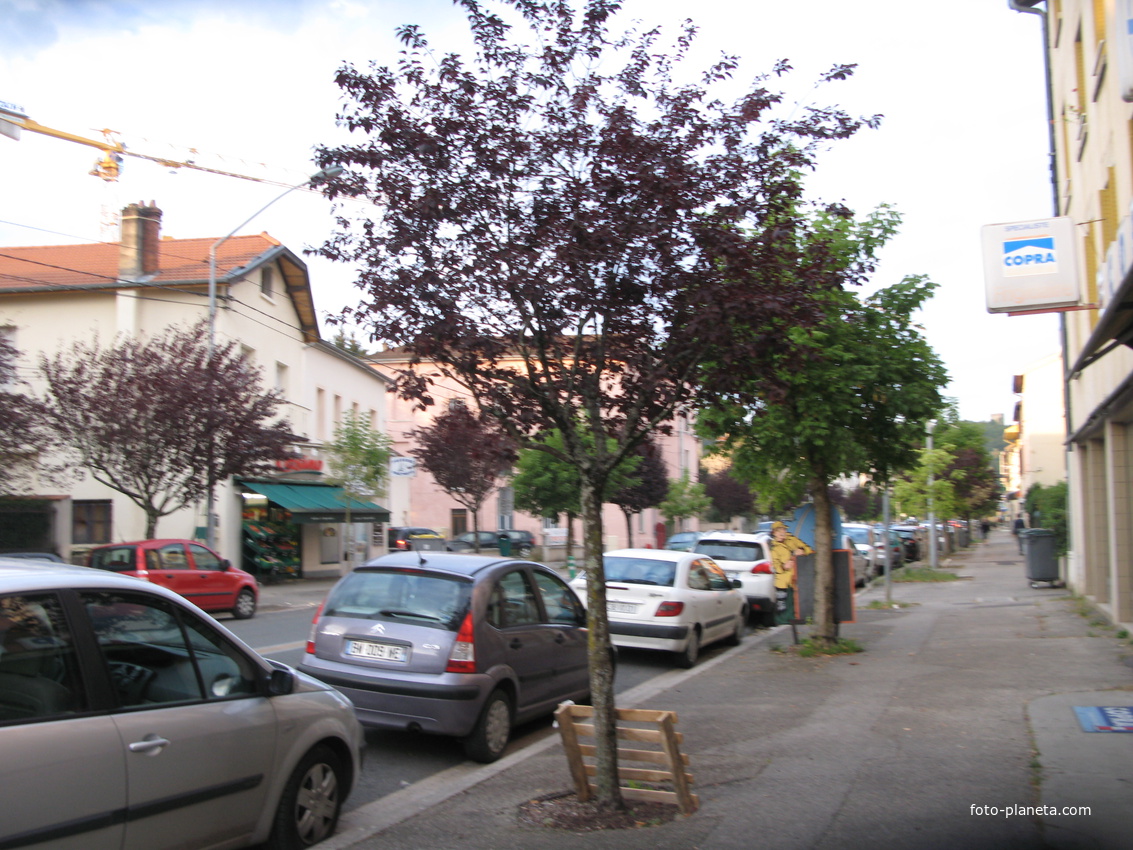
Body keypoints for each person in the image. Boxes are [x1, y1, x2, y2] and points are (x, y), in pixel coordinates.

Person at [769, 521, 814, 626]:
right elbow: (775, 566)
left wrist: (802, 550)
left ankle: (797, 618)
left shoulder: (792, 540)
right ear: (774, 533)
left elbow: (808, 549)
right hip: (783, 581)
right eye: (778, 530)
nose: (782, 532)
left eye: (783, 529)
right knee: (783, 603)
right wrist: (784, 567)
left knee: (797, 600)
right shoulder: (774, 548)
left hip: (798, 577)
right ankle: (784, 621)